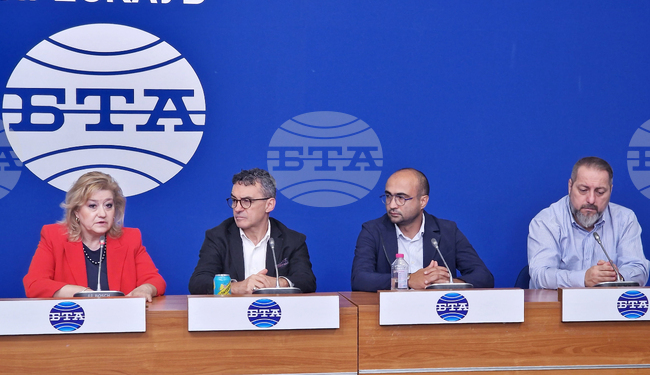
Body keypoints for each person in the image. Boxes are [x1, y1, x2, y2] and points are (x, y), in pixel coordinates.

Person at [23, 171, 166, 301]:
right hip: (74, 318)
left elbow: (155, 280)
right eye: (92, 206)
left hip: (119, 318)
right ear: (77, 211)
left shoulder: (130, 238)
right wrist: (82, 293)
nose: (102, 214)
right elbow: (34, 284)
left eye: (108, 205)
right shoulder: (54, 237)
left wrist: (145, 289)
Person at [351, 168, 494, 291]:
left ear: (423, 201)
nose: (392, 205)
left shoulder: (447, 231)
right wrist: (408, 280)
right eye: (388, 196)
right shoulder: (373, 231)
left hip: (436, 310)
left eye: (401, 197)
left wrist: (447, 284)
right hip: (390, 310)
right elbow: (359, 279)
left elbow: (484, 276)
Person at [189, 168, 316, 294]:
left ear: (269, 205)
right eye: (234, 200)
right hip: (232, 307)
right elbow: (198, 282)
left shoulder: (292, 240)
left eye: (246, 201)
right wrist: (236, 287)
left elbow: (307, 280)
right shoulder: (218, 237)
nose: (237, 208)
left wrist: (278, 283)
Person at [528, 157, 650, 289]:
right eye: (583, 190)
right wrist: (583, 278)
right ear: (570, 186)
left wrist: (615, 276)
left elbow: (639, 269)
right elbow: (540, 275)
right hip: (557, 302)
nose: (591, 200)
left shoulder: (625, 219)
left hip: (607, 301)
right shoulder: (546, 221)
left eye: (600, 192)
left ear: (610, 190)